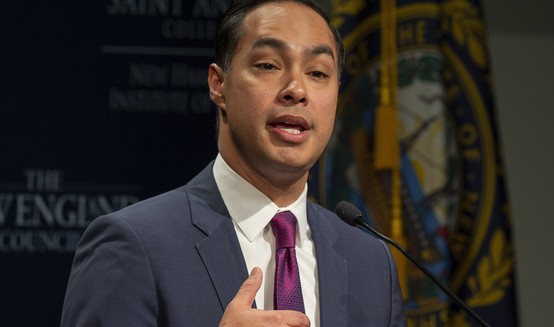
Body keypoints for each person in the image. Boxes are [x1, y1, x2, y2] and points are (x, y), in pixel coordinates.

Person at [61, 0, 405, 326]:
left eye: (317, 72)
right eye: (269, 65)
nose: (296, 89)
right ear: (219, 85)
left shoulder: (372, 264)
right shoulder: (134, 245)